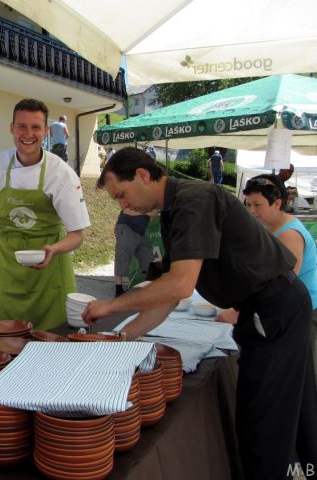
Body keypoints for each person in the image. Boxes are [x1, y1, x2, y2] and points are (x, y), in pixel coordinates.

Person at [83, 147, 317, 480]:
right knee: (295, 413)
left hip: (274, 308)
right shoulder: (174, 211)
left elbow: (179, 285)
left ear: (143, 175)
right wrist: (121, 337)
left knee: (264, 426)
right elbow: (167, 295)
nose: (124, 206)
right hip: (270, 306)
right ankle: (304, 470)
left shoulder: (195, 201)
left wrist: (111, 305)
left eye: (122, 195)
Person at [0, 99, 90, 331]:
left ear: (46, 131)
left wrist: (54, 249)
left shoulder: (60, 173)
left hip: (50, 266)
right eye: (22, 126)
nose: (28, 134)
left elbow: (77, 234)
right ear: (12, 129)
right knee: (7, 336)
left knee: (53, 338)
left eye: (35, 127)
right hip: (8, 265)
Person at [240, 175, 317, 388]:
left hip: (305, 312)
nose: (252, 210)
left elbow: (281, 284)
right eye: (248, 204)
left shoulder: (289, 234)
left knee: (301, 377)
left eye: (258, 205)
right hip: (292, 310)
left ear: (277, 203)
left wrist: (239, 310)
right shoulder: (270, 226)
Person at [113, 208, 157, 297]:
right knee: (122, 258)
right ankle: (119, 290)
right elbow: (126, 210)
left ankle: (150, 288)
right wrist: (146, 212)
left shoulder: (150, 199)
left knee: (149, 260)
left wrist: (146, 212)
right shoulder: (131, 196)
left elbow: (155, 213)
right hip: (127, 228)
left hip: (141, 233)